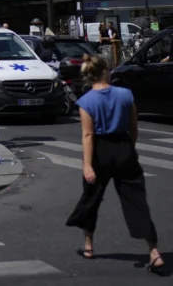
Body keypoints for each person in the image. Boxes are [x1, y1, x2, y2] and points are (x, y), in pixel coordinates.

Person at [66, 55, 165, 272]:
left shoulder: (86, 101)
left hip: (100, 151)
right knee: (137, 201)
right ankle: (154, 252)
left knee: (92, 198)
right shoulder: (126, 95)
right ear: (105, 71)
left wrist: (87, 165)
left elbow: (88, 135)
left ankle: (89, 245)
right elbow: (133, 127)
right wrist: (128, 147)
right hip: (124, 148)